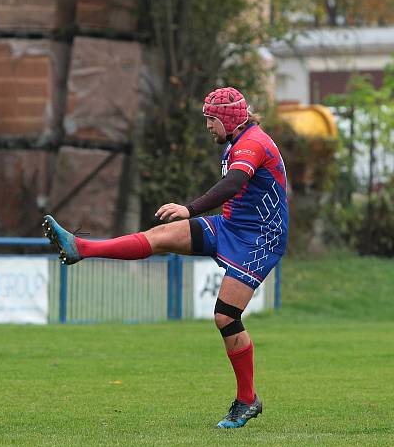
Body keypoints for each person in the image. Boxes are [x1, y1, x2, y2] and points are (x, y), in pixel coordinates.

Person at [43, 87, 288, 429]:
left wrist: (188, 208)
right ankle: (81, 248)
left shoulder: (251, 144)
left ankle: (248, 400)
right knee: (160, 237)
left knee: (225, 316)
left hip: (260, 237)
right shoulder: (239, 139)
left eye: (211, 120)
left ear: (229, 120)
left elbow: (232, 185)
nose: (208, 127)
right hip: (232, 225)